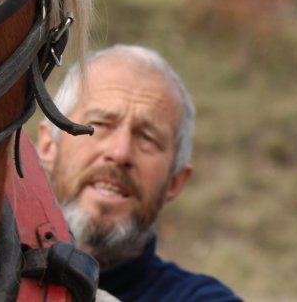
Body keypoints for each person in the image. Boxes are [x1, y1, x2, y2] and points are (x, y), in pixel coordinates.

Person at [37, 45, 240, 301]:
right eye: (99, 125)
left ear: (175, 182)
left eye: (148, 138)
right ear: (48, 145)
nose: (120, 153)